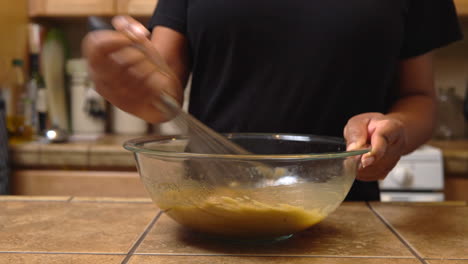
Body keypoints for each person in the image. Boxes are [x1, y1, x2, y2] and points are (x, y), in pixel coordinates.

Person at [83, 0, 462, 201]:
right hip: (210, 208)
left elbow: (420, 99)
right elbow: (160, 92)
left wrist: (392, 130)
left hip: (341, 215)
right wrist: (128, 80)